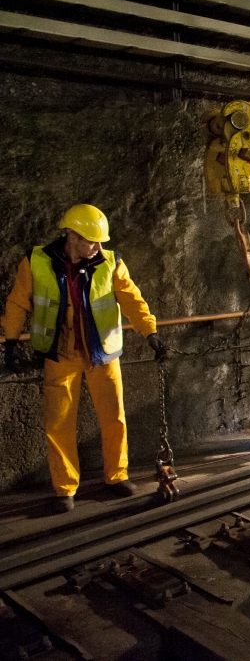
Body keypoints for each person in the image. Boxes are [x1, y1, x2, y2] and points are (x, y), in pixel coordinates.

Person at [2, 204, 167, 514]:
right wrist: (10, 341)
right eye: (91, 241)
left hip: (101, 354)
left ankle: (116, 476)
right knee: (59, 424)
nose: (98, 247)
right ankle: (64, 489)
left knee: (114, 417)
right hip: (60, 355)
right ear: (71, 236)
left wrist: (150, 332)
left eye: (100, 241)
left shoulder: (110, 261)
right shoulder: (36, 262)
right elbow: (17, 302)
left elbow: (132, 299)